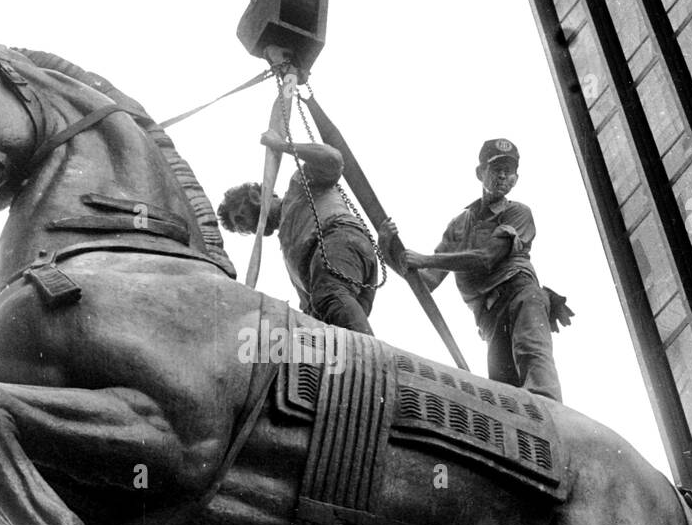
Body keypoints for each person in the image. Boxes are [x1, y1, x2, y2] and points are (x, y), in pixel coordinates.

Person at [379, 138, 571, 401]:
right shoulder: (459, 225)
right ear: (480, 173)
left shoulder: (518, 213)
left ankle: (551, 408)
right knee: (505, 395)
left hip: (521, 297)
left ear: (516, 179)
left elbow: (486, 258)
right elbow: (426, 282)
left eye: (509, 171)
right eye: (496, 169)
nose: (503, 176)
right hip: (490, 319)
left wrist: (424, 259)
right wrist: (388, 250)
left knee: (534, 364)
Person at [218, 129, 380, 334]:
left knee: (330, 296)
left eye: (240, 218)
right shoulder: (288, 245)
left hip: (338, 242)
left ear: (255, 196)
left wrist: (282, 145)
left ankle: (369, 362)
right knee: (332, 328)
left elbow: (332, 159)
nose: (245, 228)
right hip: (335, 274)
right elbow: (312, 308)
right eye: (240, 228)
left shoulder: (299, 186)